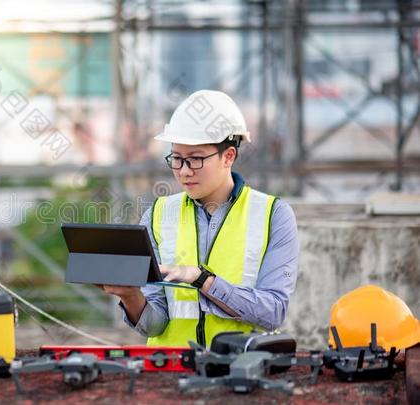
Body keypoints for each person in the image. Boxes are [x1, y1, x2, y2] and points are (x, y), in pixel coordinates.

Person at [98, 90, 299, 347]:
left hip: (241, 371)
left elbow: (272, 313)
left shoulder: (273, 215)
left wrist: (202, 280)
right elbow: (155, 325)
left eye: (195, 159)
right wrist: (130, 296)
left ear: (228, 156)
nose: (184, 171)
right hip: (170, 373)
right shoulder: (158, 215)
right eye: (177, 159)